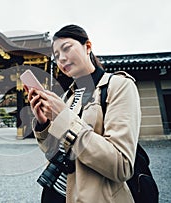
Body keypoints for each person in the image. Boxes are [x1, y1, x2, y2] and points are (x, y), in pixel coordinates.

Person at [27, 25, 141, 203]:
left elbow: (121, 165)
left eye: (66, 48)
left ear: (87, 46)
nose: (62, 58)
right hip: (55, 193)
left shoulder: (118, 86)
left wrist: (63, 119)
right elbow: (54, 151)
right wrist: (44, 124)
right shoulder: (69, 97)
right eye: (56, 56)